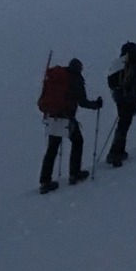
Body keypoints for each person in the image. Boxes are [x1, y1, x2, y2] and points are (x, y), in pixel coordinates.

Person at [38, 58, 103, 193]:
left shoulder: (59, 77)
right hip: (67, 117)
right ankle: (74, 174)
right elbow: (83, 102)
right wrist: (95, 105)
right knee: (78, 141)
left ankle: (45, 181)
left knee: (52, 149)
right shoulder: (75, 79)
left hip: (53, 116)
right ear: (79, 68)